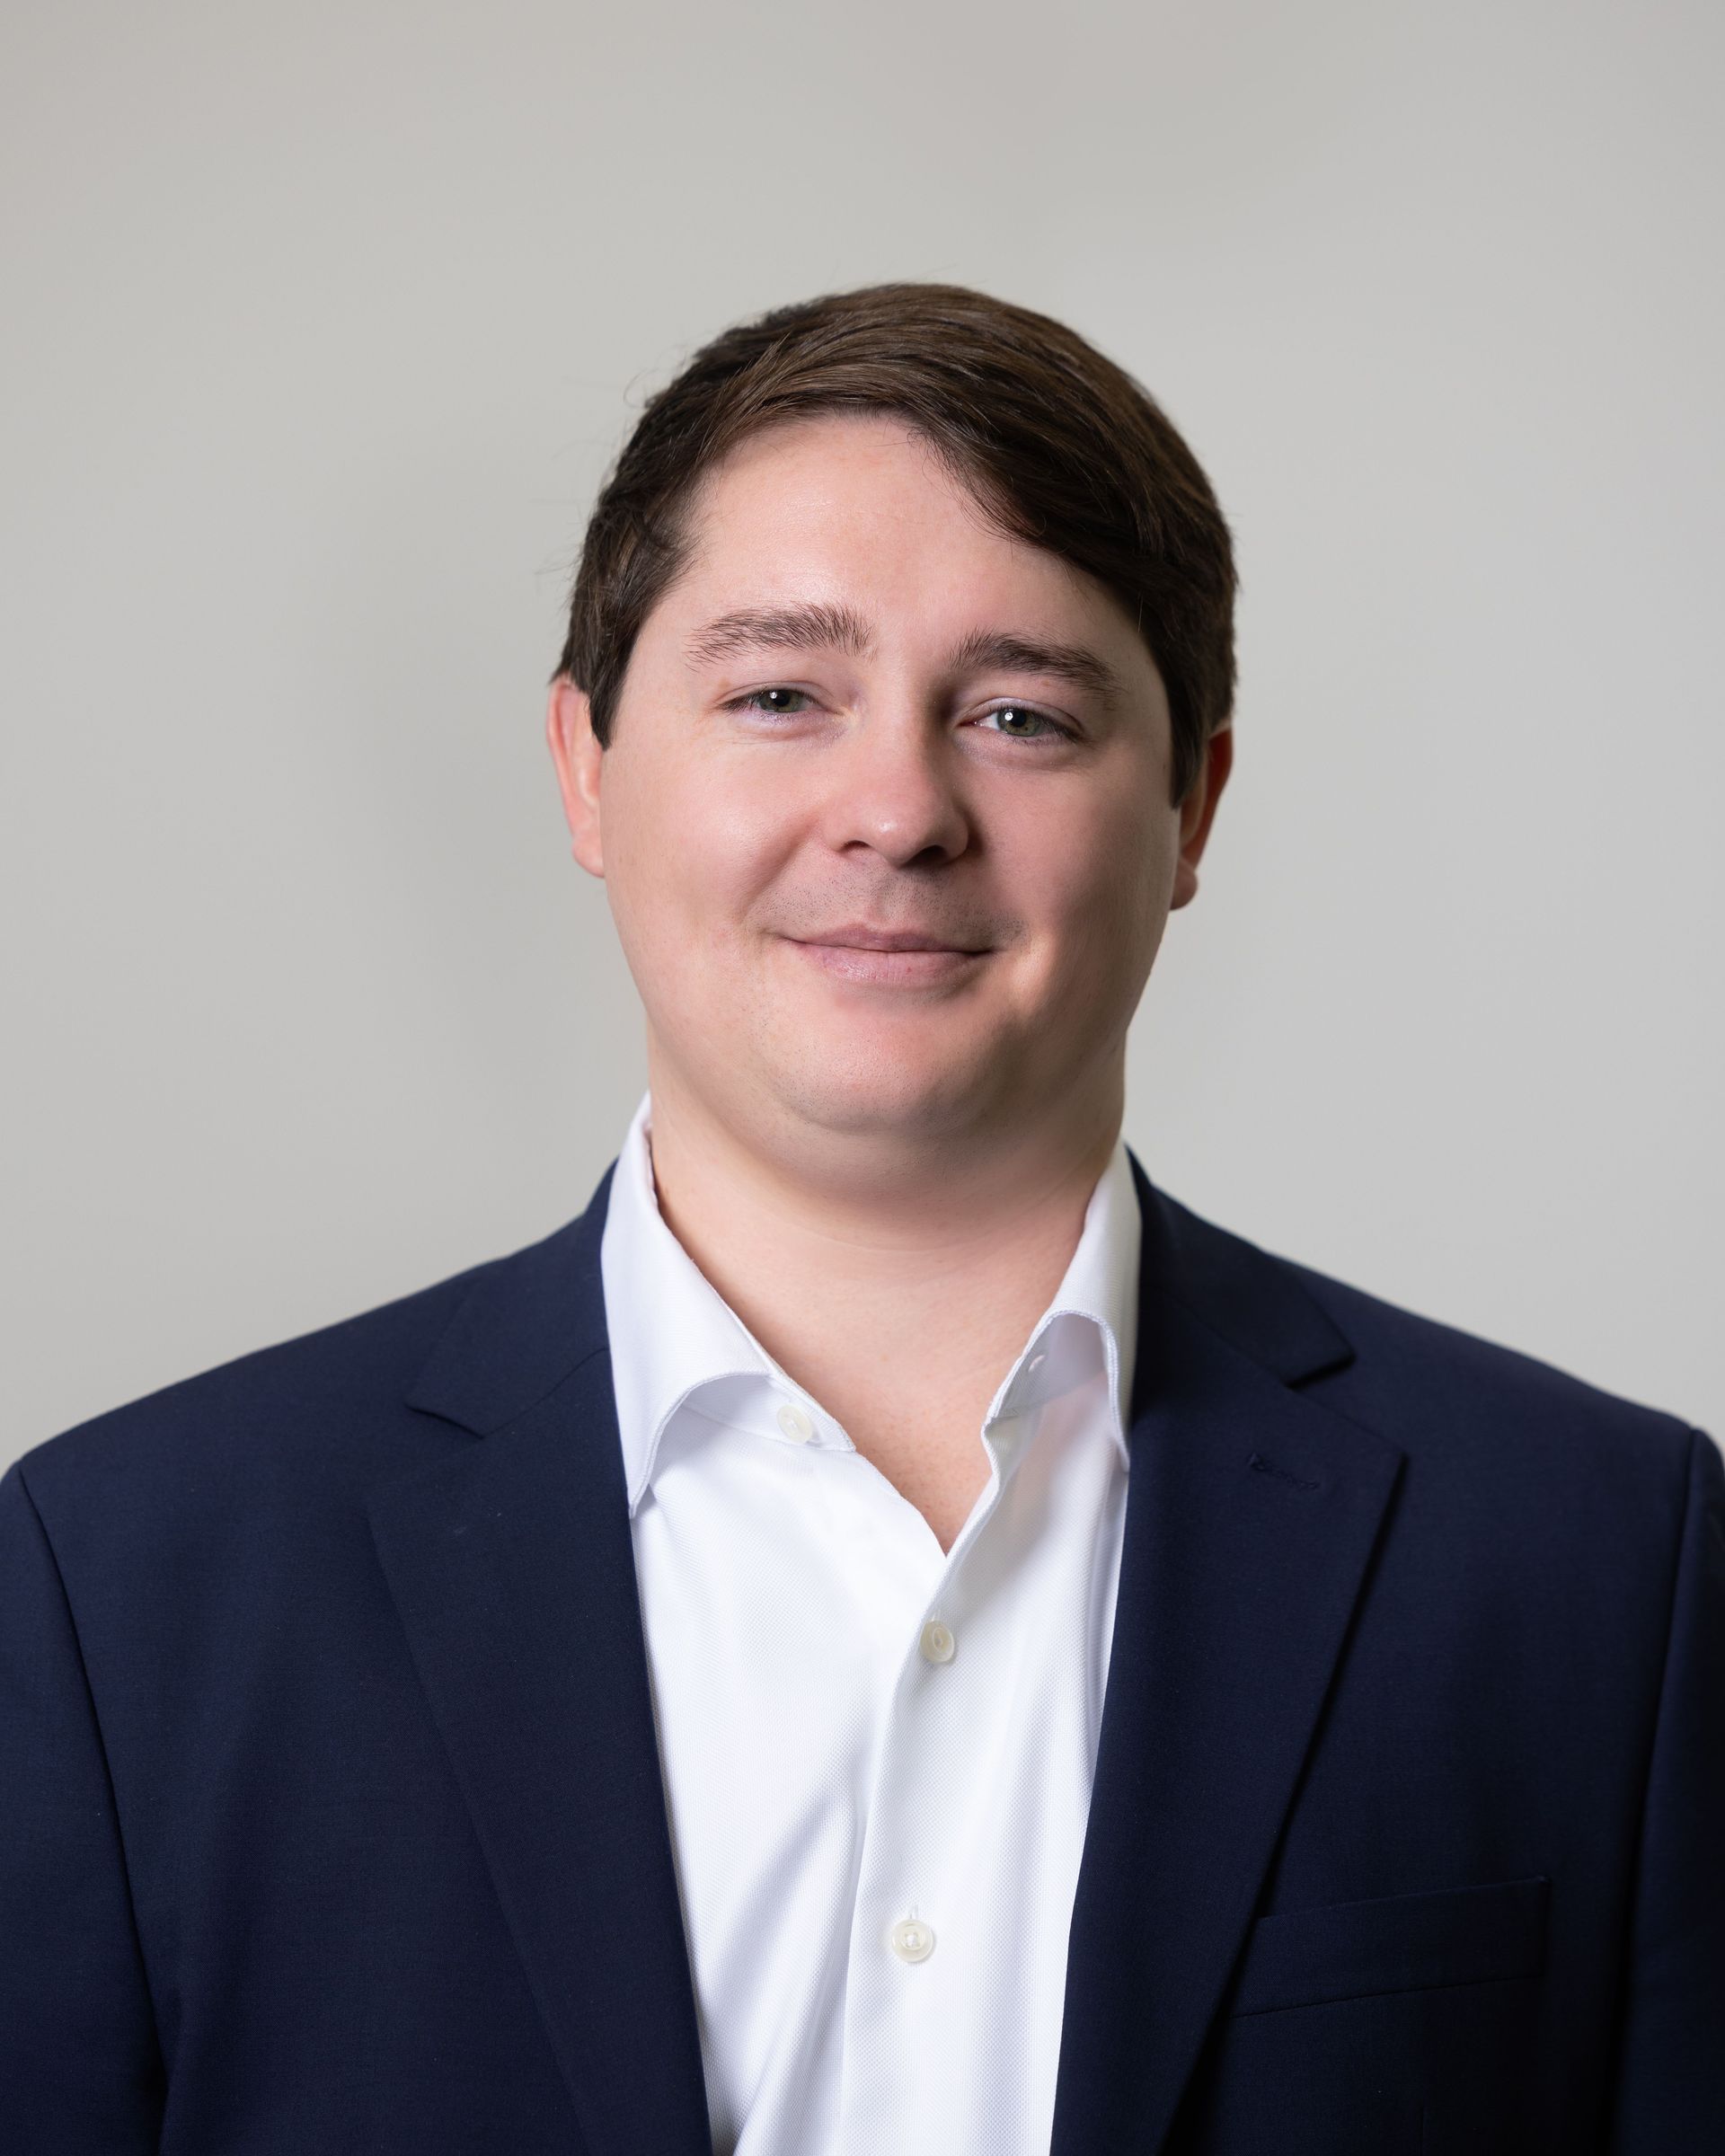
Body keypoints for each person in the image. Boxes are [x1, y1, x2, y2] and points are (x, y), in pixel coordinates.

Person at [2, 282, 1718, 2156]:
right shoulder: (119, 1588)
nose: (897, 808)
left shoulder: (1606, 1568)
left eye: (1020, 713)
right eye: (778, 697)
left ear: (1193, 809)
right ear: (588, 769)